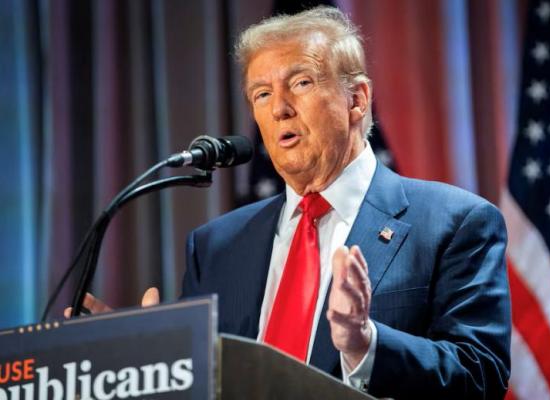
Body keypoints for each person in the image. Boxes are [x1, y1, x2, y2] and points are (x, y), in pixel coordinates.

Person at [72, 6, 511, 399]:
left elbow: (481, 375)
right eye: (261, 94)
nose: (279, 108)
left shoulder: (454, 223)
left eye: (300, 82)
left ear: (356, 99)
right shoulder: (216, 245)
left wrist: (365, 343)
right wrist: (151, 361)